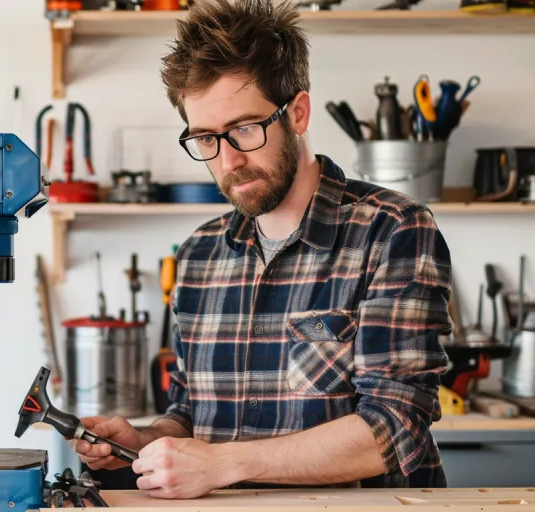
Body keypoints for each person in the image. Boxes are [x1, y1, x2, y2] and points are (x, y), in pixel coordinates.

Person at [69, 0, 454, 499]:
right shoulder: (199, 255)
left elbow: (393, 427)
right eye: (205, 137)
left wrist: (221, 464)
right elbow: (192, 414)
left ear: (297, 112)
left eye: (245, 128)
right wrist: (146, 440)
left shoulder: (392, 230)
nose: (228, 159)